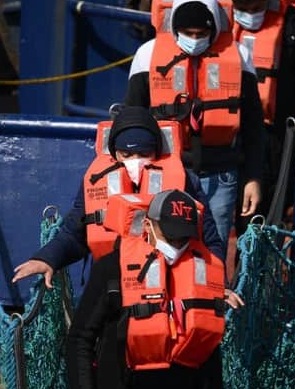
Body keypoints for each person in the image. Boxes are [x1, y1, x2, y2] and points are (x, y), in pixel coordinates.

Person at [124, 0, 266, 259]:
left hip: (220, 175)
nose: (194, 39)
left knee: (213, 251)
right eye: (187, 32)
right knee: (164, 246)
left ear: (214, 28)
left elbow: (253, 127)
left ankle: (212, 301)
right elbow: (132, 118)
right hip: (167, 169)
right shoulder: (147, 56)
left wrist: (253, 178)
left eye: (201, 32)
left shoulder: (239, 56)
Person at [11, 106, 224, 288]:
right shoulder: (97, 181)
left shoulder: (185, 181)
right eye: (127, 154)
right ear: (115, 153)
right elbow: (74, 232)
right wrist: (47, 259)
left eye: (144, 154)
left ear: (156, 152)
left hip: (167, 285)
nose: (135, 161)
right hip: (110, 285)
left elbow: (209, 239)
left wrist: (218, 285)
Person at [70, 189, 244, 389]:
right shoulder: (112, 268)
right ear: (148, 226)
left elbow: (210, 352)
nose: (177, 245)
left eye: (183, 239)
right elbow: (80, 337)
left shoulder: (205, 273)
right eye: (170, 236)